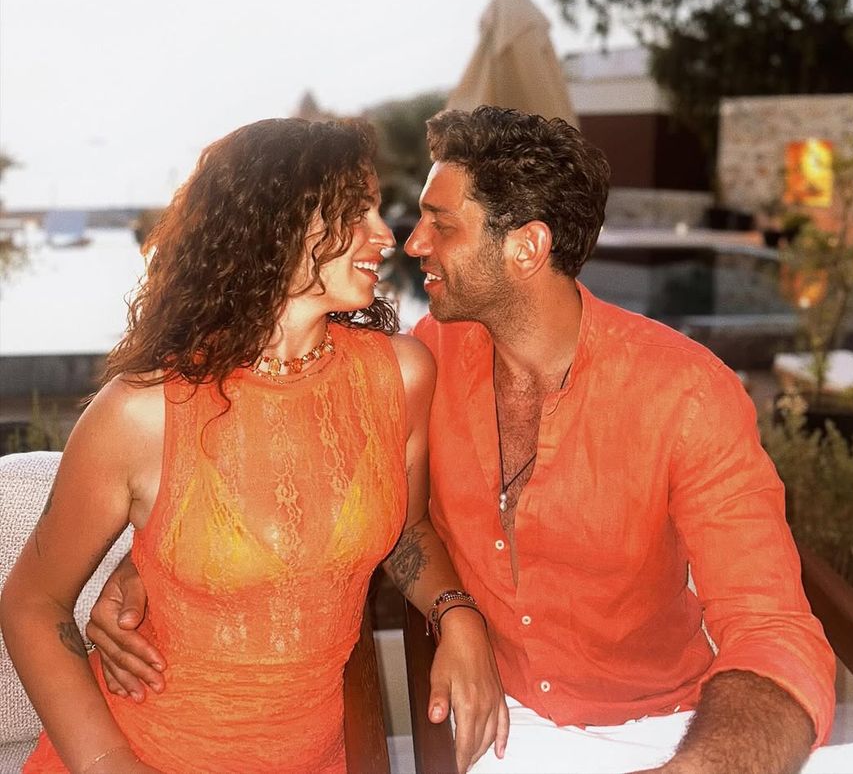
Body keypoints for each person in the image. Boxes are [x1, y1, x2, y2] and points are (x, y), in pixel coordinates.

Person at [85, 107, 836, 774]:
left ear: (527, 247)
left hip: (671, 729)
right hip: (500, 726)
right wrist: (146, 560)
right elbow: (281, 453)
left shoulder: (687, 393)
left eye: (442, 224)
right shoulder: (421, 367)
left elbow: (771, 629)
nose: (411, 242)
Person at [0, 117, 506, 774]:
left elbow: (405, 530)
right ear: (274, 225)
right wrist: (111, 766)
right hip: (147, 753)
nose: (387, 236)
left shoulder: (401, 376)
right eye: (356, 212)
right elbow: (32, 603)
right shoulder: (141, 412)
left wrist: (458, 614)